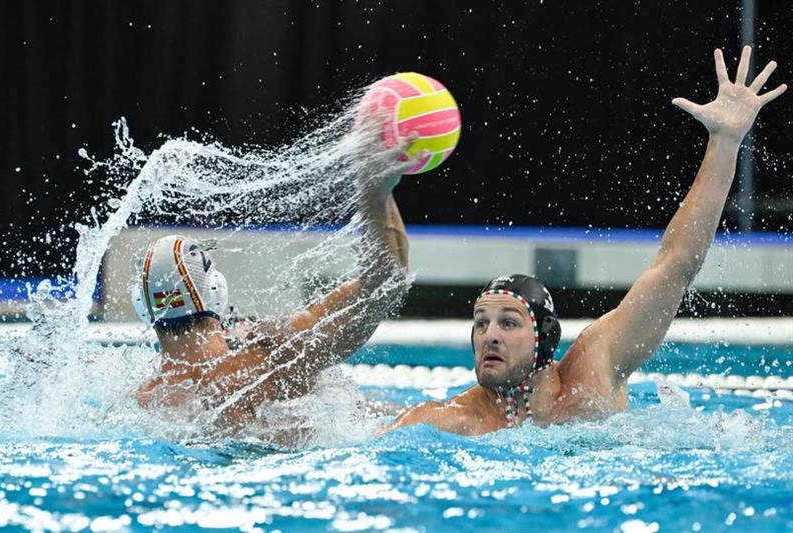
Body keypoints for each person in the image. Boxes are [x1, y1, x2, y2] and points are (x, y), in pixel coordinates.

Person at [380, 46, 787, 436]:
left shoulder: (595, 371)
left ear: (545, 337)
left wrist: (724, 142)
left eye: (509, 322)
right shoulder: (448, 421)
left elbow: (676, 263)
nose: (490, 335)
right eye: (481, 323)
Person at [132, 131, 413, 433]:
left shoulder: (144, 400)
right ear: (216, 290)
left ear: (143, 307)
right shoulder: (270, 357)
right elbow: (383, 286)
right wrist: (375, 191)